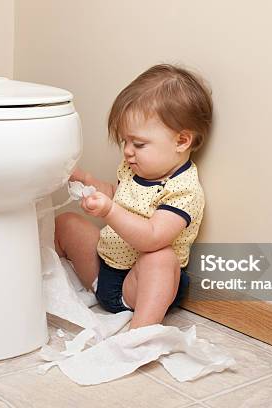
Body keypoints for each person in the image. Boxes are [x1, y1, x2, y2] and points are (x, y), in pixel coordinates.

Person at [55, 63, 212, 329]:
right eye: (124, 142)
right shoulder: (134, 166)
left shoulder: (183, 190)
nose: (128, 151)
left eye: (138, 144)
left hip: (138, 287)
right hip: (105, 271)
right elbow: (121, 197)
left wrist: (109, 212)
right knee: (66, 223)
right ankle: (50, 286)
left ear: (182, 141)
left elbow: (152, 237)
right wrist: (90, 183)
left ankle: (141, 332)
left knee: (161, 258)